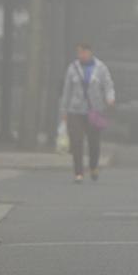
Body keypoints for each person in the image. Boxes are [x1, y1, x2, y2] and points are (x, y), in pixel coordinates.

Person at [59, 43, 115, 183]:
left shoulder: (100, 68)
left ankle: (93, 166)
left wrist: (110, 97)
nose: (81, 55)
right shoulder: (72, 68)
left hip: (94, 110)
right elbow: (66, 90)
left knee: (94, 142)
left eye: (83, 52)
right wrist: (64, 110)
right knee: (76, 142)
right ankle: (78, 173)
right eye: (79, 52)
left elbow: (108, 84)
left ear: (90, 52)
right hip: (75, 110)